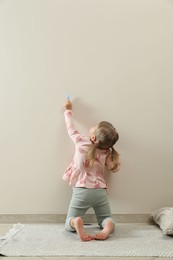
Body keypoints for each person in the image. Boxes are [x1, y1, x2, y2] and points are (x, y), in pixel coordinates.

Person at [63, 99, 121, 241]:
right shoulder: (107, 152)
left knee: (68, 222)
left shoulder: (80, 141)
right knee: (106, 218)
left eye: (94, 127)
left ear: (93, 137)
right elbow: (113, 167)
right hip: (100, 191)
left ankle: (76, 222)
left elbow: (70, 128)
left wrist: (68, 110)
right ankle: (107, 226)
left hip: (81, 190)